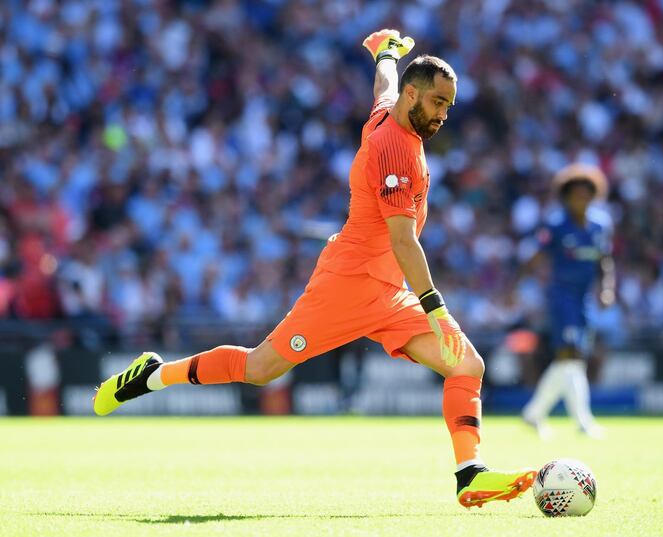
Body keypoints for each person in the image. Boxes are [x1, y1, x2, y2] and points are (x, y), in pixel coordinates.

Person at [93, 29, 535, 509]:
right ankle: (153, 374)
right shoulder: (393, 149)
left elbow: (383, 87)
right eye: (438, 102)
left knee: (467, 364)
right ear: (415, 95)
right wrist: (438, 312)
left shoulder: (393, 113)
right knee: (260, 368)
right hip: (348, 284)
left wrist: (385, 53)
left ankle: (469, 475)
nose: (444, 114)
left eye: (449, 104)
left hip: (385, 289)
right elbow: (403, 240)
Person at [521, 164, 615, 440]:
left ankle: (534, 413)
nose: (581, 201)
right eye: (575, 195)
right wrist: (516, 284)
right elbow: (536, 257)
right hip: (562, 297)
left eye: (586, 195)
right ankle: (583, 421)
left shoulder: (601, 225)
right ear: (566, 197)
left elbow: (605, 261)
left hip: (584, 298)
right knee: (570, 355)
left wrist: (607, 288)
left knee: (572, 359)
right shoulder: (556, 225)